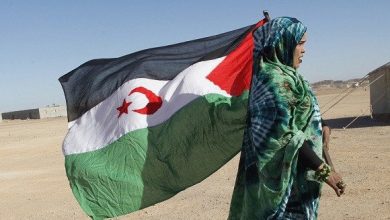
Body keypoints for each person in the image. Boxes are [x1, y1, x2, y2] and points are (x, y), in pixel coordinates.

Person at [228, 17, 346, 219]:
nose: (304, 50)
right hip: (282, 182)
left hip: (299, 174)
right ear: (283, 43)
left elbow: (301, 112)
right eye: (300, 43)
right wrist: (325, 171)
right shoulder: (274, 81)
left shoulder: (292, 77)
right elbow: (284, 135)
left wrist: (322, 125)